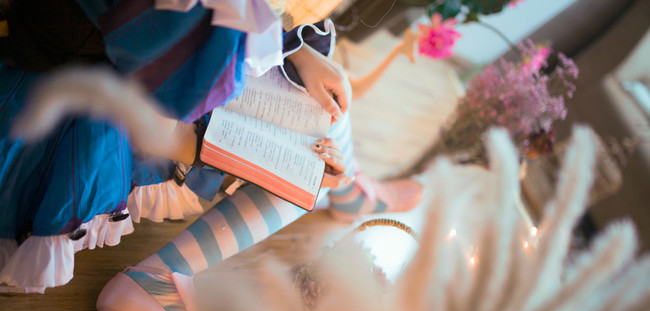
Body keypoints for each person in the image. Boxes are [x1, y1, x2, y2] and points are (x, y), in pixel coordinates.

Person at [0, 0, 422, 293]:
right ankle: (148, 284)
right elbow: (165, 131)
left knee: (324, 117)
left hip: (138, 76)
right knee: (305, 166)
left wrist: (295, 51)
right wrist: (269, 162)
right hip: (117, 107)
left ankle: (351, 188)